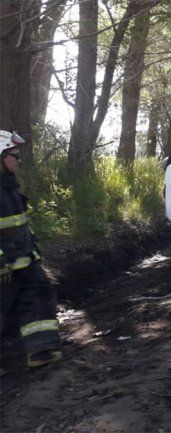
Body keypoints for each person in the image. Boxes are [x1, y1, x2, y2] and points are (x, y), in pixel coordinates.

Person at [0, 130, 62, 368]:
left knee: (40, 295)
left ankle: (40, 350)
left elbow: (18, 225)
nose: (19, 160)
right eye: (14, 155)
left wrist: (32, 250)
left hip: (23, 262)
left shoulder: (8, 187)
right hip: (5, 266)